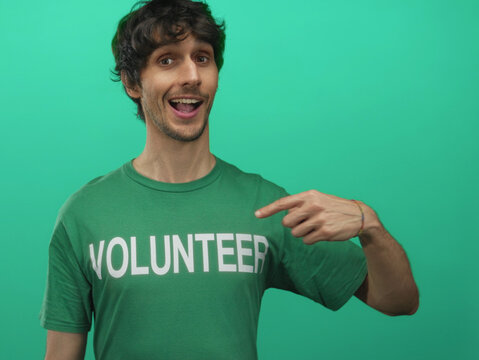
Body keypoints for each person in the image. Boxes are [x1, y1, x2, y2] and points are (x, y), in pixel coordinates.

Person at [39, 0, 419, 359]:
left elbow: (398, 300)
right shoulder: (85, 214)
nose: (191, 76)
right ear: (132, 83)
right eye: (167, 60)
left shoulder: (265, 206)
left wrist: (368, 224)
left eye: (202, 58)